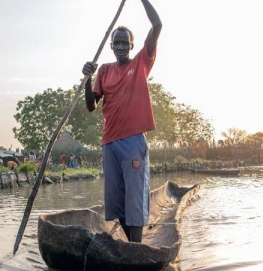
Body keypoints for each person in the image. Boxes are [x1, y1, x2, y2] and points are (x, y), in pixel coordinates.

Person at [82, 0, 161, 243]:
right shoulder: (104, 71)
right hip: (109, 142)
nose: (120, 46)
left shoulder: (141, 63)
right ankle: (131, 245)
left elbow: (157, 25)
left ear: (132, 45)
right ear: (111, 45)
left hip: (132, 141)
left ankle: (135, 250)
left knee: (135, 197)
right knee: (116, 200)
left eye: (124, 43)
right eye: (116, 42)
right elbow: (91, 105)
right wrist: (87, 79)